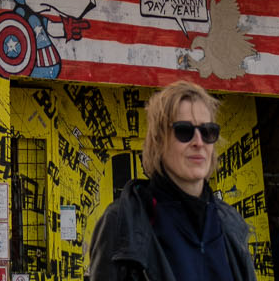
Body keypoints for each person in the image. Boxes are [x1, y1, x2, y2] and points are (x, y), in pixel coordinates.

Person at [87, 82, 255, 281]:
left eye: (208, 131)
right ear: (158, 140)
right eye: (184, 131)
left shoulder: (230, 224)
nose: (199, 142)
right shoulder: (122, 223)